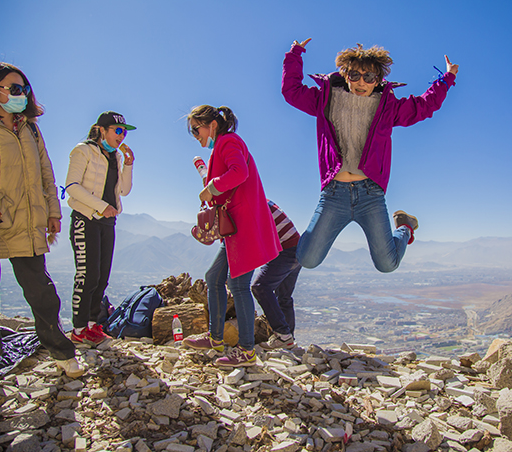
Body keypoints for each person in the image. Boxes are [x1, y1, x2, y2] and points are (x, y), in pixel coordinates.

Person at [282, 39, 458, 273]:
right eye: (355, 75)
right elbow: (292, 91)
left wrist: (446, 79)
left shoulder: (388, 107)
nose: (361, 82)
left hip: (370, 195)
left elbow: (424, 106)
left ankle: (405, 227)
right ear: (345, 75)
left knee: (387, 264)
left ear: (378, 80)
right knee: (308, 259)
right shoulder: (325, 98)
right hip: (334, 195)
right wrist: (295, 54)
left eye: (369, 77)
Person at [0, 63, 83, 389]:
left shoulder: (30, 128)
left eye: (25, 89)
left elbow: (46, 172)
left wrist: (53, 212)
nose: (22, 95)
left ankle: (61, 352)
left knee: (42, 292)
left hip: (28, 223)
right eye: (15, 89)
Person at [183, 105, 281, 367]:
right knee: (214, 278)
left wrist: (211, 188)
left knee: (237, 285)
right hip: (235, 229)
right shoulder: (222, 145)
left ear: (212, 125)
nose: (195, 136)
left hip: (244, 227)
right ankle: (216, 338)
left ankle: (247, 351)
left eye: (196, 130)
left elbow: (239, 173)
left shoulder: (228, 141)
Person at [64, 111, 135, 345]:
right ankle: (78, 329)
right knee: (87, 275)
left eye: (124, 132)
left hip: (108, 222)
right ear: (102, 130)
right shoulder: (83, 150)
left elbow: (124, 190)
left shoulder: (116, 157)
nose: (121, 136)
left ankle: (93, 325)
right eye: (117, 130)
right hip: (86, 219)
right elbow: (72, 186)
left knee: (102, 276)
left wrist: (129, 165)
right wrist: (102, 206)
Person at [252, 200, 302, 350]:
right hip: (297, 249)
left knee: (260, 287)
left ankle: (283, 335)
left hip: (286, 249)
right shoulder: (263, 201)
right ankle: (288, 340)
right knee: (284, 297)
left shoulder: (255, 203)